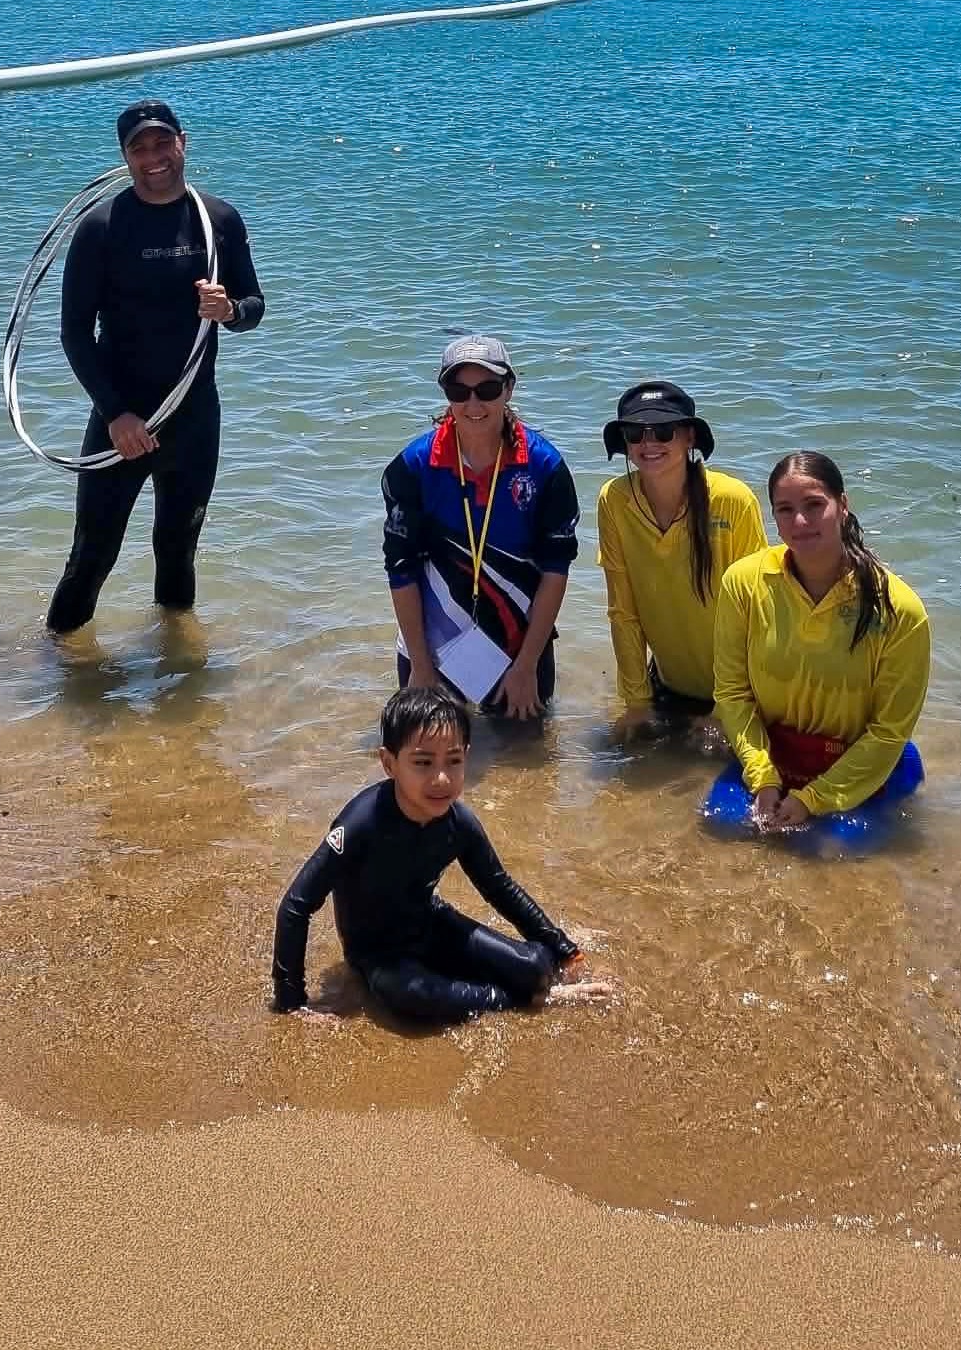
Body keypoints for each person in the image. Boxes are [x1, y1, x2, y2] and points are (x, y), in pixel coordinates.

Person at [46, 99, 265, 633]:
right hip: (121, 421)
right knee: (90, 557)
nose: (153, 156)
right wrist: (117, 415)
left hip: (193, 420)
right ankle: (55, 673)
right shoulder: (101, 227)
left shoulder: (219, 219)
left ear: (182, 142)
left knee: (178, 552)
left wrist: (229, 310)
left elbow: (254, 305)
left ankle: (177, 673)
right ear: (124, 157)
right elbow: (74, 334)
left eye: (162, 142)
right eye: (138, 147)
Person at [271, 687, 603, 1023]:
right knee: (411, 997)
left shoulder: (459, 824)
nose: (441, 778)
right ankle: (528, 999)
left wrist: (565, 950)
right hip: (379, 955)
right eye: (423, 762)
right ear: (389, 763)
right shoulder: (360, 824)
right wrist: (291, 1000)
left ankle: (535, 988)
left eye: (454, 760)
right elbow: (296, 905)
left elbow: (500, 888)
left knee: (533, 968)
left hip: (432, 925)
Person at [707, 450, 930, 850]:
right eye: (785, 510)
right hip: (777, 754)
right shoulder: (743, 583)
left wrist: (814, 799)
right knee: (722, 828)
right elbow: (732, 693)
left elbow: (888, 731)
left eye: (814, 505)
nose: (801, 522)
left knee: (824, 851)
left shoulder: (899, 609)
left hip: (861, 761)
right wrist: (764, 780)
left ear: (843, 505)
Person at [381, 336, 578, 719]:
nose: (473, 404)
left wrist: (524, 667)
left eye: (487, 390)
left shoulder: (545, 467)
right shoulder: (412, 467)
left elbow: (556, 570)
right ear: (446, 393)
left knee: (525, 764)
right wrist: (421, 667)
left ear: (509, 388)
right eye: (459, 391)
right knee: (426, 761)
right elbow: (400, 569)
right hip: (432, 645)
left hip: (519, 646)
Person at [595, 380, 767, 732]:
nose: (649, 443)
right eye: (636, 433)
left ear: (689, 437)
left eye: (663, 431)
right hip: (668, 688)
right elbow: (623, 611)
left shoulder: (733, 500)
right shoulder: (614, 500)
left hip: (743, 694)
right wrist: (637, 702)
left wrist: (725, 709)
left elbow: (757, 617)